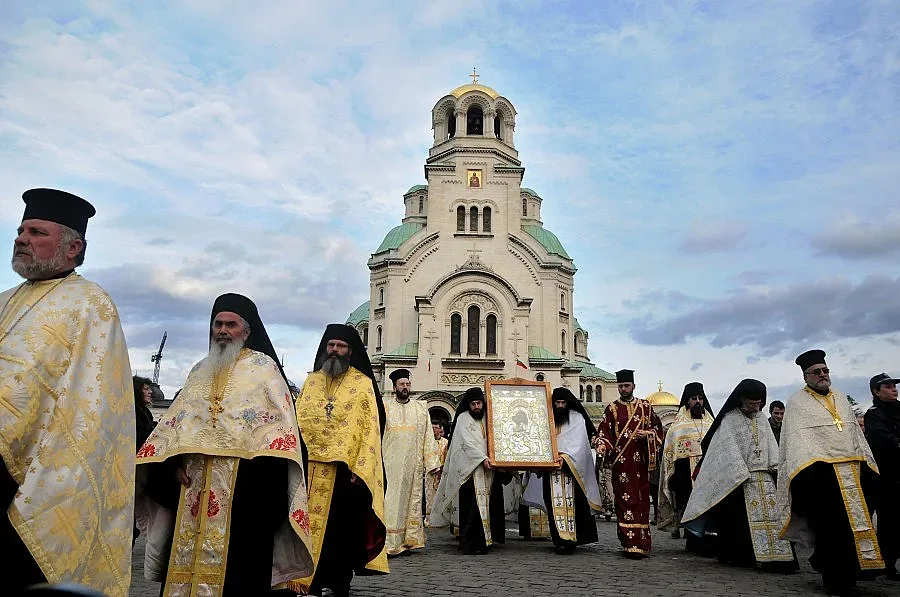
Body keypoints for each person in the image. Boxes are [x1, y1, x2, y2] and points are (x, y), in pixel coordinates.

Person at [0, 188, 134, 596]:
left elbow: (91, 403)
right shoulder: (4, 300)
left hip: (29, 477)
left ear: (73, 247)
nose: (21, 237)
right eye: (21, 229)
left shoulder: (92, 304)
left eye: (36, 231)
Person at [135, 294, 312, 595]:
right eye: (218, 323)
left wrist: (257, 486)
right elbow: (171, 433)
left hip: (245, 496)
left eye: (231, 324)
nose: (222, 330)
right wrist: (172, 468)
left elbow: (281, 436)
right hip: (192, 491)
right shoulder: (199, 371)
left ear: (246, 330)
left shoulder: (264, 370)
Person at [290, 324, 388, 596]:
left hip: (344, 473)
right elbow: (299, 420)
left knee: (340, 531)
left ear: (350, 351)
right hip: (309, 468)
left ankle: (338, 580)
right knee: (304, 526)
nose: (334, 350)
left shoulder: (362, 384)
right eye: (330, 345)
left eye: (340, 346)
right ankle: (307, 579)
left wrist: (360, 467)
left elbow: (370, 427)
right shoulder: (311, 381)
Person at [778, 349, 883, 595]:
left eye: (826, 371)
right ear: (806, 377)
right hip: (822, 482)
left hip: (853, 477)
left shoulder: (841, 399)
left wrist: (868, 468)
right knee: (831, 532)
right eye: (817, 372)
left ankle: (855, 574)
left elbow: (855, 436)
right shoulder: (796, 402)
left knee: (852, 530)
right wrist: (810, 479)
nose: (823, 375)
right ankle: (834, 580)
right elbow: (797, 444)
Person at [682, 380, 797, 572]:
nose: (756, 407)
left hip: (765, 478)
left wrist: (775, 465)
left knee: (774, 518)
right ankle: (744, 556)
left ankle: (778, 558)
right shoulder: (729, 420)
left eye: (759, 404)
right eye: (752, 404)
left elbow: (770, 444)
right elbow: (726, 451)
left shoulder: (761, 418)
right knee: (740, 522)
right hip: (740, 480)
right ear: (742, 400)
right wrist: (741, 471)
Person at [595, 369, 664, 558]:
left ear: (634, 386)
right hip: (622, 465)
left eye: (626, 386)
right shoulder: (612, 409)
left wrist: (648, 435)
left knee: (641, 503)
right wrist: (602, 445)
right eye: (620, 386)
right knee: (624, 502)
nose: (623, 389)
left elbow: (658, 429)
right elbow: (604, 432)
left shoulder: (645, 407)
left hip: (640, 464)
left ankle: (641, 543)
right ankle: (629, 543)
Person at [430, 387, 506, 555]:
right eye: (473, 404)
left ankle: (485, 541)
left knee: (488, 507)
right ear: (468, 405)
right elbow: (465, 443)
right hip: (469, 473)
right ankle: (469, 543)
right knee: (471, 509)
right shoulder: (463, 419)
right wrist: (482, 458)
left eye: (479, 403)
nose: (477, 407)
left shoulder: (489, 417)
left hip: (489, 471)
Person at [530, 388, 601, 554]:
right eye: (557, 403)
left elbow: (579, 445)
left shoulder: (577, 419)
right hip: (551, 471)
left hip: (571, 471)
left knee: (572, 505)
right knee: (553, 505)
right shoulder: (546, 418)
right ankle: (559, 540)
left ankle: (572, 539)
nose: (560, 406)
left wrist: (566, 458)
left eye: (563, 403)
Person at [382, 368, 441, 556]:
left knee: (411, 503)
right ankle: (389, 541)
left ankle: (409, 540)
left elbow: (428, 436)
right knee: (390, 502)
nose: (405, 387)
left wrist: (432, 461)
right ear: (394, 387)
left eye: (407, 384)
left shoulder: (420, 408)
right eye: (401, 384)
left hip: (412, 467)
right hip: (390, 464)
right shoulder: (385, 407)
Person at [657, 382, 714, 542]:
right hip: (685, 475)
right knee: (688, 506)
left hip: (708, 473)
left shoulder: (711, 423)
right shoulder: (678, 426)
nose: (697, 402)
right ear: (687, 401)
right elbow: (669, 452)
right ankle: (690, 537)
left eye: (700, 398)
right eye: (694, 398)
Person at [864, 373, 900, 580]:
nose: (893, 389)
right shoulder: (874, 414)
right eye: (887, 386)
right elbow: (882, 440)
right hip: (885, 477)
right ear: (876, 392)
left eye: (893, 386)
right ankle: (886, 563)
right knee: (889, 521)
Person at [424, 419, 449, 522]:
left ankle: (442, 519)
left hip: (443, 474)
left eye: (436, 428)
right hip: (431, 473)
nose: (434, 430)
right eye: (432, 428)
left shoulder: (446, 442)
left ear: (440, 429)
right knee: (429, 497)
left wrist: (443, 469)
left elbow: (448, 458)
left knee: (442, 496)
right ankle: (430, 519)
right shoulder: (427, 442)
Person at [134, 375, 157, 451]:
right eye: (146, 389)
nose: (150, 392)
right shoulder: (135, 411)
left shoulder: (144, 410)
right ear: (137, 391)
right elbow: (143, 435)